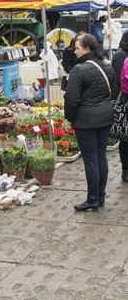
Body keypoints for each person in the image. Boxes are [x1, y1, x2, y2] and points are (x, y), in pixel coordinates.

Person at [64, 34, 114, 211]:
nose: (75, 51)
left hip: (86, 120)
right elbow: (113, 92)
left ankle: (92, 199)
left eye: (77, 48)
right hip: (105, 117)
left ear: (87, 49)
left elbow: (71, 99)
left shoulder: (79, 70)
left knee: (91, 160)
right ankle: (100, 196)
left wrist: (69, 116)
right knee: (101, 157)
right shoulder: (107, 65)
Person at [111, 30, 128, 182]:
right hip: (124, 102)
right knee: (125, 138)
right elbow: (118, 83)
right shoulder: (121, 56)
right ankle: (125, 170)